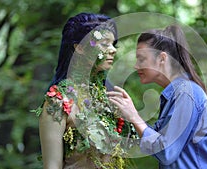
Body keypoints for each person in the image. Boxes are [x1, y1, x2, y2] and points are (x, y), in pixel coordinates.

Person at [107, 25, 207, 169]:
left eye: (141, 59)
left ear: (162, 58)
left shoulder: (186, 93)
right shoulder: (178, 94)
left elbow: (166, 152)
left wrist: (134, 117)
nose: (136, 66)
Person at [34, 12, 137, 169]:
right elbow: (52, 166)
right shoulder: (57, 102)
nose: (113, 50)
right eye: (104, 44)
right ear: (80, 48)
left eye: (113, 44)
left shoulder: (108, 97)